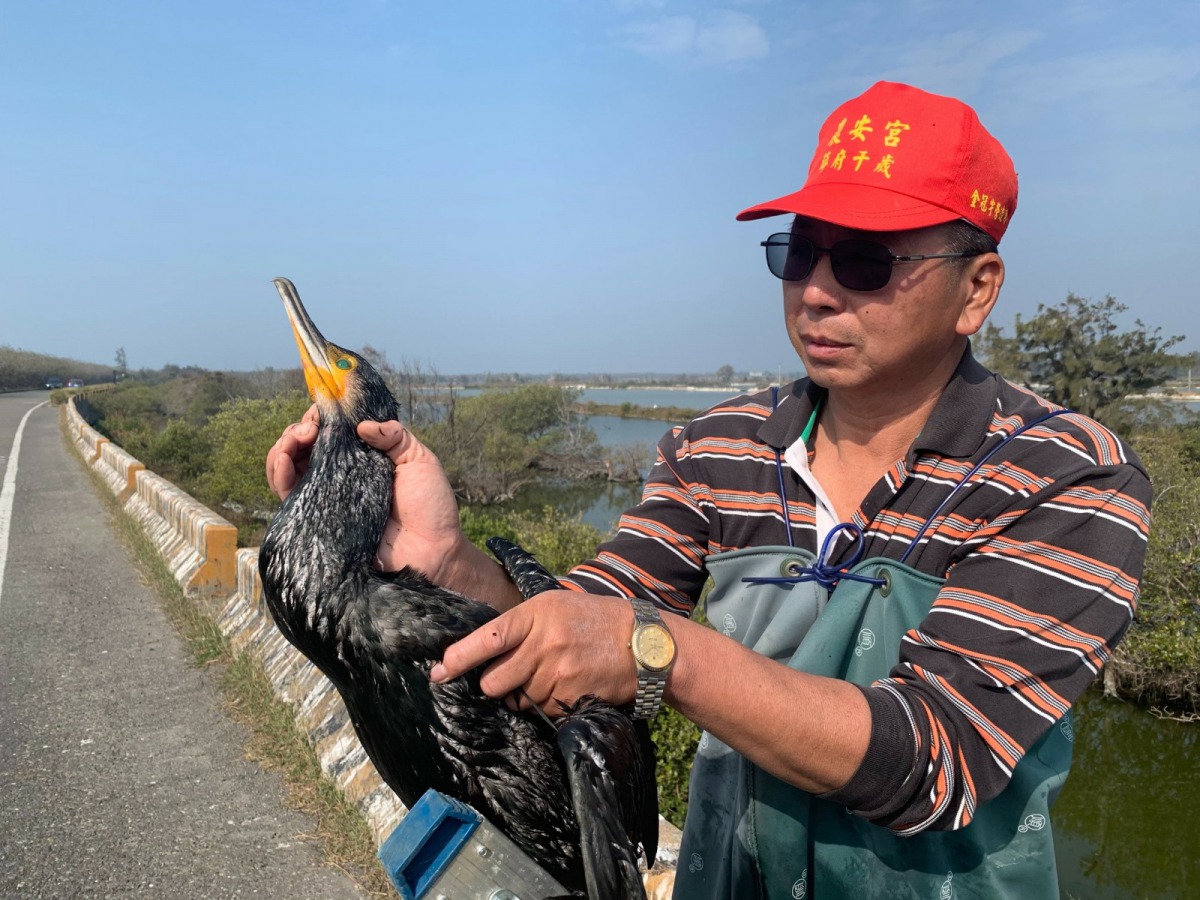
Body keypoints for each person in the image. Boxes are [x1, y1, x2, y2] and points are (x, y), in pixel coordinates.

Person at [266, 81, 1151, 898]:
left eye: (867, 263)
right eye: (799, 252)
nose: (816, 292)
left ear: (977, 289)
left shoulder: (1066, 476)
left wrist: (664, 653)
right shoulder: (718, 446)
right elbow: (586, 629)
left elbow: (934, 754)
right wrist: (444, 563)